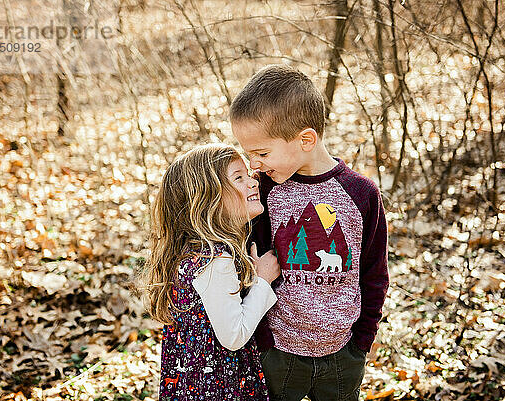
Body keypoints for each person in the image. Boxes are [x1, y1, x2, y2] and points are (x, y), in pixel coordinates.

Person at [230, 64, 389, 401]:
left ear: (305, 140)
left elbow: (375, 273)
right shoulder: (266, 192)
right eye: (249, 154)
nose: (254, 165)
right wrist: (264, 342)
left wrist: (362, 341)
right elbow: (253, 262)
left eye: (261, 153)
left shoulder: (362, 194)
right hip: (281, 352)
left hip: (343, 354)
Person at [136, 143, 281, 400]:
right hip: (219, 386)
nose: (253, 182)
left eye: (248, 174)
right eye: (239, 178)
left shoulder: (191, 252)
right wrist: (263, 281)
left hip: (192, 383)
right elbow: (234, 335)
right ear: (208, 199)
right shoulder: (214, 260)